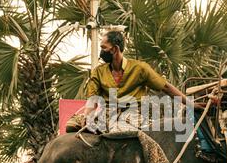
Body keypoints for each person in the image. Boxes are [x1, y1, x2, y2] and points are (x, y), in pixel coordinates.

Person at [67, 31, 203, 132]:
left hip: (132, 115)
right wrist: (88, 115)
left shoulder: (140, 68)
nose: (101, 52)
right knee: (71, 126)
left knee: (118, 132)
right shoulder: (98, 71)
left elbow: (166, 87)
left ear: (115, 49)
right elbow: (93, 98)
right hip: (105, 114)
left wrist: (192, 105)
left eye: (103, 47)